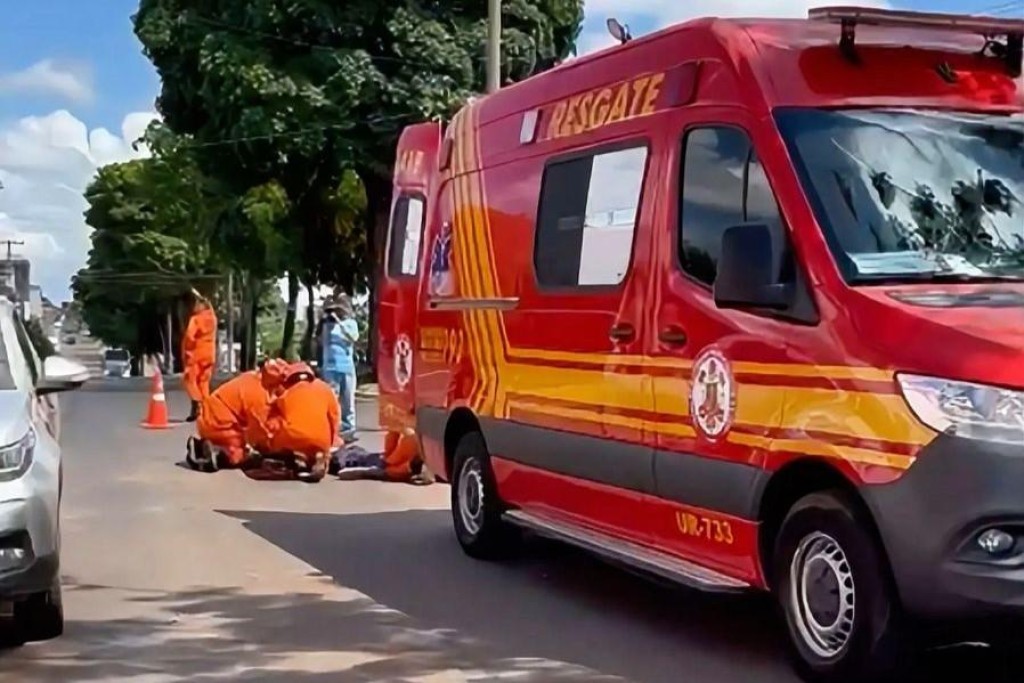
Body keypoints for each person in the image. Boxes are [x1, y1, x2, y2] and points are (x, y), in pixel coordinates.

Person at [186, 360, 275, 472]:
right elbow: (259, 430)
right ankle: (215, 453)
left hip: (209, 417)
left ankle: (208, 445)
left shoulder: (252, 378)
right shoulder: (259, 395)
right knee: (240, 456)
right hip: (221, 423)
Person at [262, 361, 341, 483]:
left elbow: (271, 423)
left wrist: (268, 443)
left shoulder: (284, 393)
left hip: (293, 438)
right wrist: (332, 442)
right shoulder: (325, 388)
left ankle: (298, 457)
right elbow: (334, 417)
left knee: (285, 434)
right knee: (317, 444)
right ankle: (319, 455)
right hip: (321, 439)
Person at [318, 294, 359, 441]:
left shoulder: (350, 323)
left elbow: (353, 338)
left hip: (346, 367)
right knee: (332, 400)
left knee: (348, 399)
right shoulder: (327, 326)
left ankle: (349, 429)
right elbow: (321, 342)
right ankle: (332, 428)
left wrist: (339, 322)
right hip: (330, 367)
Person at [182, 290, 218, 422]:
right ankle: (206, 409)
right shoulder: (212, 318)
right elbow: (210, 307)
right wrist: (199, 295)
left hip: (196, 354)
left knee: (189, 380)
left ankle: (196, 403)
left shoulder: (196, 319)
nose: (194, 307)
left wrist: (188, 350)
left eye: (196, 304)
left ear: (202, 306)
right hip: (210, 354)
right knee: (203, 382)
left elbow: (189, 336)